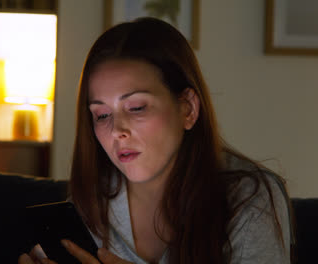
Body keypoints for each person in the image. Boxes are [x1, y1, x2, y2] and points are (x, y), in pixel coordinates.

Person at [19, 17, 294, 264]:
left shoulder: (249, 197)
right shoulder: (89, 203)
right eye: (102, 115)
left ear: (188, 109)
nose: (117, 131)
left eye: (137, 108)